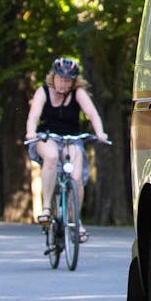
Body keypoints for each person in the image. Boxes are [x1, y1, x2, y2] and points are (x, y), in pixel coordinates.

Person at [24, 57, 108, 241]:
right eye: (61, 79)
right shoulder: (43, 91)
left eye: (68, 81)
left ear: (74, 81)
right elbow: (33, 116)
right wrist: (31, 132)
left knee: (76, 178)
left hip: (72, 139)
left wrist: (100, 132)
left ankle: (75, 221)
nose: (63, 84)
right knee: (52, 157)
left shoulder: (78, 93)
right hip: (47, 137)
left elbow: (92, 114)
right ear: (53, 77)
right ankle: (47, 208)